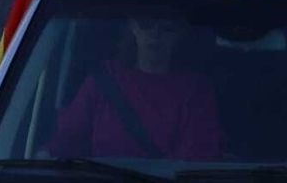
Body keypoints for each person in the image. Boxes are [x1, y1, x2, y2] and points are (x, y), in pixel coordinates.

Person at [47, 14, 225, 161]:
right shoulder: (102, 81)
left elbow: (196, 158)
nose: (155, 34)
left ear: (179, 35)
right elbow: (67, 142)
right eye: (146, 24)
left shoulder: (196, 91)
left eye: (167, 28)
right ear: (132, 27)